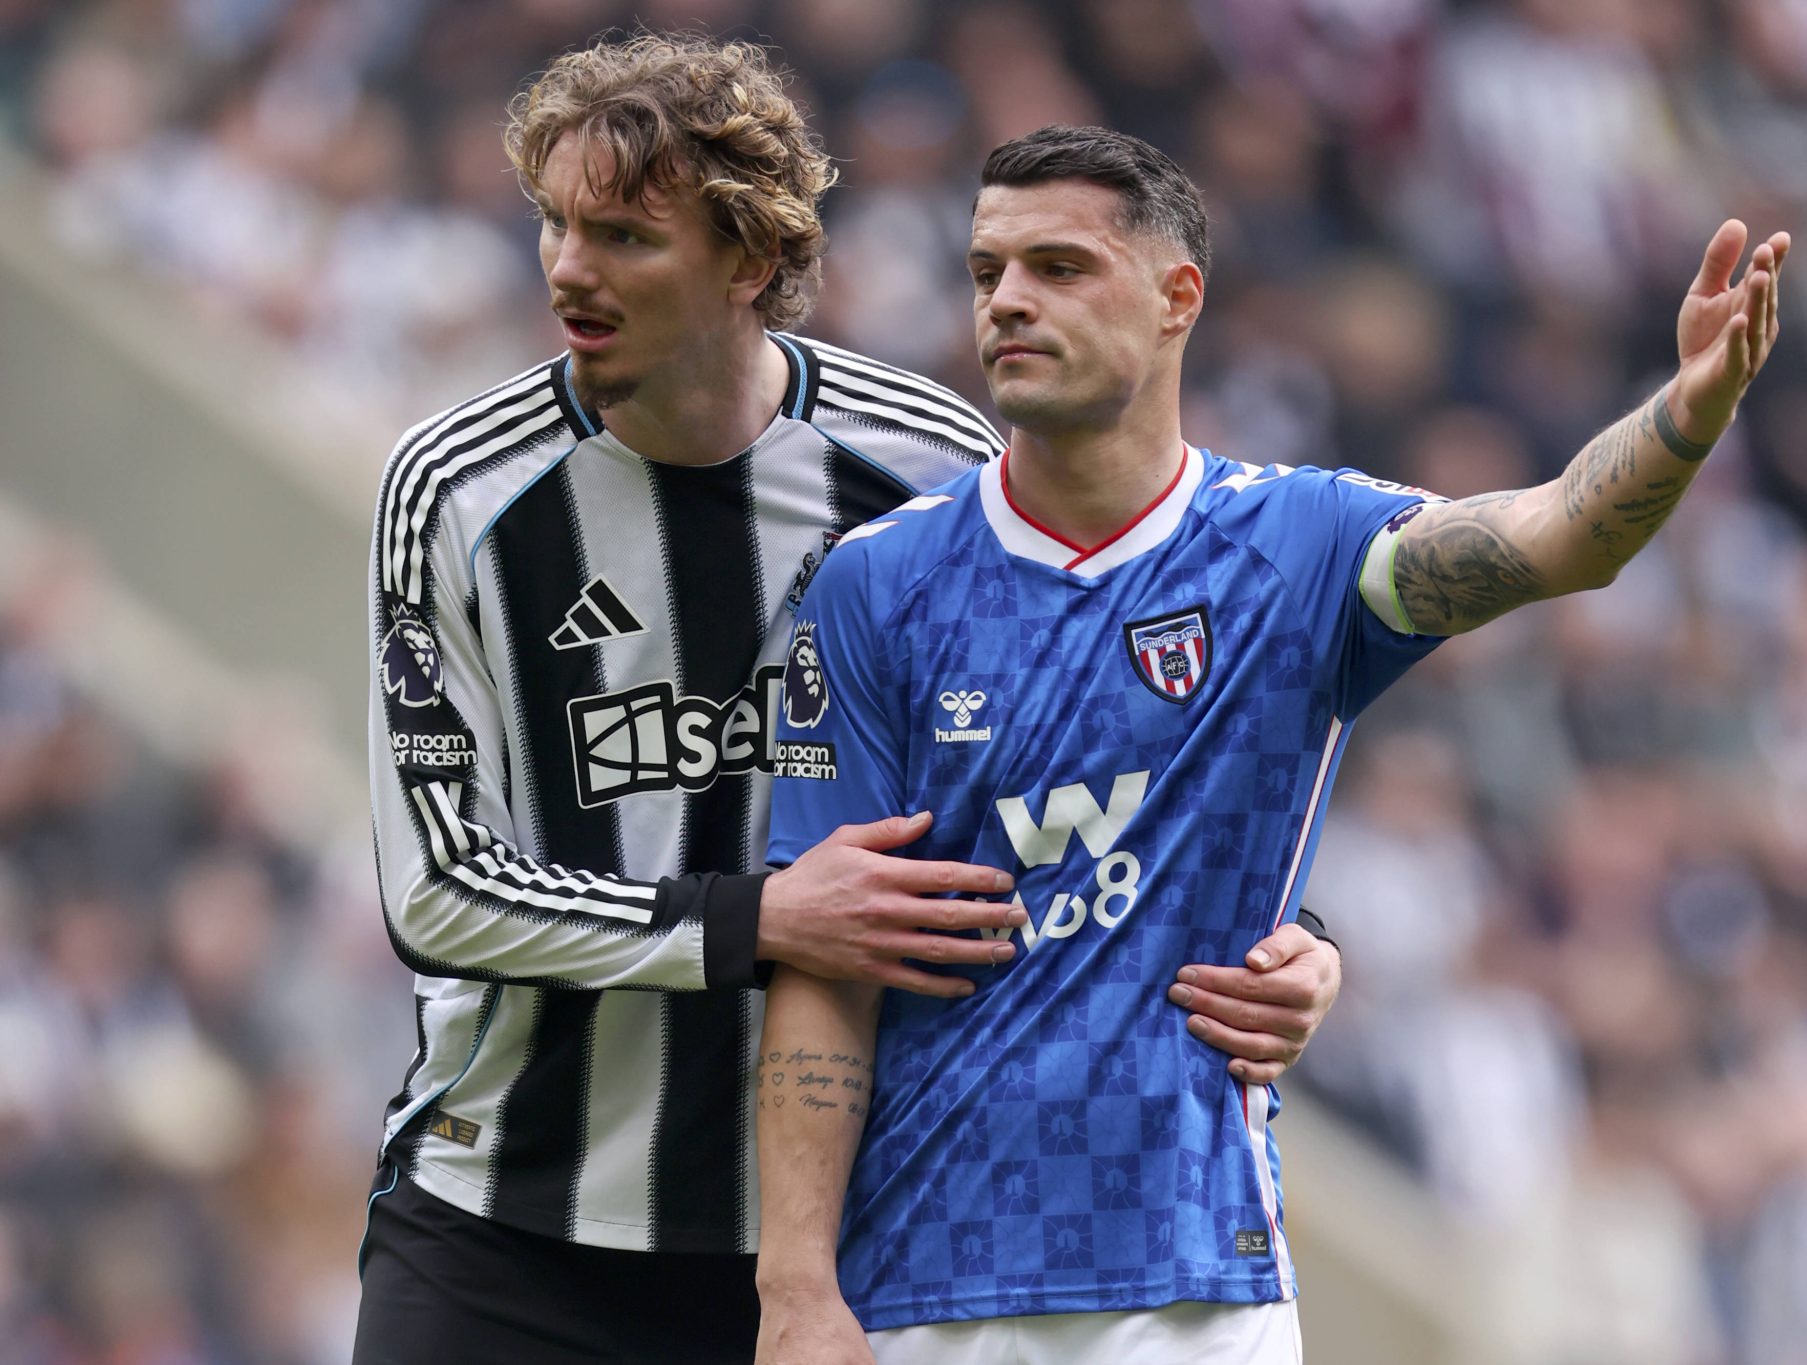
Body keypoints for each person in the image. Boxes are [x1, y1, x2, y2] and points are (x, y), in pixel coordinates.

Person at [354, 38, 1345, 1365]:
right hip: (507, 1226)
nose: (570, 271)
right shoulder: (458, 491)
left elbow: (1117, 748)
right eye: (556, 226)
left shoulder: (925, 466)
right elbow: (437, 893)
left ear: (750, 262)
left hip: (833, 1255)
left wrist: (1298, 939)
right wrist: (757, 918)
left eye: (627, 237)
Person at [754, 124, 1789, 1363]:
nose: (1008, 303)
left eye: (1059, 268)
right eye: (987, 273)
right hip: (925, 1282)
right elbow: (823, 957)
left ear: (1174, 297)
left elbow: (1560, 536)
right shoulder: (877, 586)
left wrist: (1681, 414)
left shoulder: (1294, 545)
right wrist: (795, 1290)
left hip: (1196, 1287)